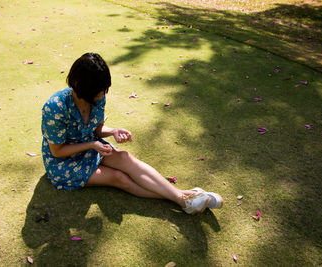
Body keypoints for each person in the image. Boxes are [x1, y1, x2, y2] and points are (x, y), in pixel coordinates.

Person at [41, 53, 223, 215]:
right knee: (118, 178)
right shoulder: (55, 107)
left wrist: (113, 131)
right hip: (63, 163)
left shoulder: (98, 95)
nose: (101, 95)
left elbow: (96, 131)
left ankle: (184, 198)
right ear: (79, 85)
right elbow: (57, 151)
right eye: (97, 92)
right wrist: (91, 145)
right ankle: (187, 196)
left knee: (125, 157)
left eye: (103, 90)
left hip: (90, 147)